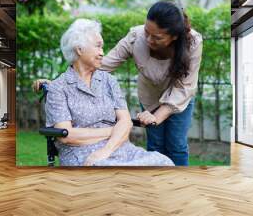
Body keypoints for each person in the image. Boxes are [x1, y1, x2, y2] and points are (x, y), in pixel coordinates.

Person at [35, 1, 203, 166]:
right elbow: (102, 63)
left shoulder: (193, 42)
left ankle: (179, 184)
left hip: (179, 97)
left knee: (177, 146)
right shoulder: (136, 37)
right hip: (150, 96)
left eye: (157, 37)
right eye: (147, 32)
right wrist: (59, 81)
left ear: (174, 37)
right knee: (156, 145)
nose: (149, 39)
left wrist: (155, 117)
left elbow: (185, 86)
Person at [45, 18, 174, 166]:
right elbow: (67, 135)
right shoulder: (58, 88)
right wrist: (114, 131)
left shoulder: (109, 81)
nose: (102, 53)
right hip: (81, 153)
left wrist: (105, 150)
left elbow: (125, 122)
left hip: (119, 149)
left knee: (164, 162)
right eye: (98, 47)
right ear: (79, 49)